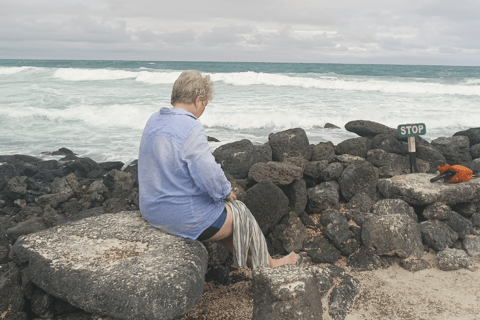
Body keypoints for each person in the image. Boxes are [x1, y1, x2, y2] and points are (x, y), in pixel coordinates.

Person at [138, 70, 297, 269]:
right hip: (179, 218)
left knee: (220, 212)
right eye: (205, 104)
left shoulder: (154, 119)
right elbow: (207, 172)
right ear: (198, 99)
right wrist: (225, 192)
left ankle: (255, 264)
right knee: (240, 212)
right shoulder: (190, 127)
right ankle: (271, 263)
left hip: (151, 210)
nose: (203, 108)